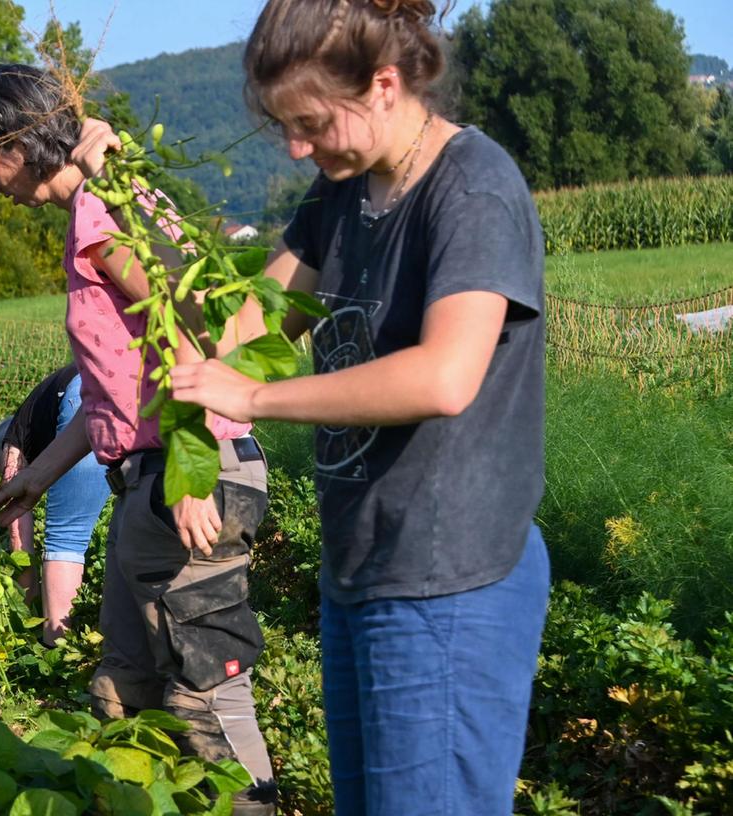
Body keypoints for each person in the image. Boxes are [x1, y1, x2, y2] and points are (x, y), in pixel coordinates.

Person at [168, 2, 551, 813]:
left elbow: (444, 378)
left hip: (447, 579)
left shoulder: (472, 187)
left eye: (309, 122)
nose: (298, 147)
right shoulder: (342, 188)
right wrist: (123, 201)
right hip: (363, 569)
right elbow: (244, 325)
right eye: (283, 127)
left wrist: (254, 398)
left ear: (383, 85)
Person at [0, 64, 279, 814]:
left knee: (206, 694)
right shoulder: (94, 213)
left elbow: (190, 325)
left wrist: (192, 470)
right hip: (149, 476)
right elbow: (113, 383)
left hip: (191, 472)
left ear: (22, 139)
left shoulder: (104, 215)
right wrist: (40, 471)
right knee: (123, 690)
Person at [0, 364, 111, 645]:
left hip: (85, 399)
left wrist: (26, 612)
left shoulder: (13, 448)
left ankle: (55, 653)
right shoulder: (35, 414)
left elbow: (21, 542)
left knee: (67, 536)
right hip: (131, 385)